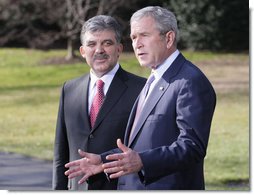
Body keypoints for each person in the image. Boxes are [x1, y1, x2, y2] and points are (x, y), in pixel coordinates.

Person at [64, 6, 216, 190]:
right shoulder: (153, 79)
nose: (137, 44)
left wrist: (142, 161)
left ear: (168, 38)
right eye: (134, 37)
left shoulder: (189, 81)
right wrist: (102, 161)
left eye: (144, 35)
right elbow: (140, 143)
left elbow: (192, 148)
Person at [52, 15, 146, 190]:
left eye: (107, 43)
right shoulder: (69, 89)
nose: (99, 50)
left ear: (119, 49)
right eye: (92, 44)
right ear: (82, 51)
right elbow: (61, 151)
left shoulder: (141, 89)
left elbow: (145, 148)